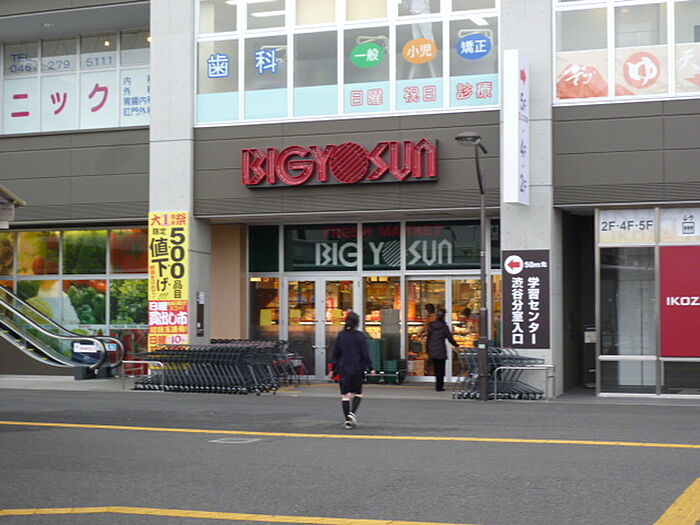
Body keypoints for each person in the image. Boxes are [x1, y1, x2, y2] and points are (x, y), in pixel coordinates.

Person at [328, 311, 374, 429]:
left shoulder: (341, 335)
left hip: (343, 368)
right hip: (357, 367)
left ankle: (347, 420)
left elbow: (336, 353)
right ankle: (352, 413)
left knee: (346, 395)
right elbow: (365, 353)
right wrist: (371, 367)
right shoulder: (360, 336)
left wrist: (333, 368)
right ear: (357, 323)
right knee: (358, 393)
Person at [426, 308, 458, 391]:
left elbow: (428, 338)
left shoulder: (431, 326)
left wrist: (427, 349)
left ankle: (438, 385)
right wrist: (456, 345)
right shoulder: (444, 327)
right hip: (440, 350)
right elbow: (450, 338)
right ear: (444, 316)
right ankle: (439, 386)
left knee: (436, 368)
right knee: (441, 369)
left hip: (432, 349)